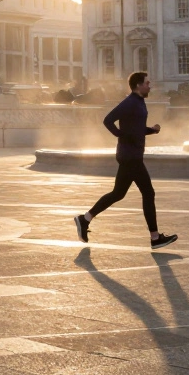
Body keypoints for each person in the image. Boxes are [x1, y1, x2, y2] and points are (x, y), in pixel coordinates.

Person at [75, 72, 177, 250]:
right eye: (147, 83)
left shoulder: (138, 102)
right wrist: (122, 136)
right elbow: (108, 121)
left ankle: (85, 219)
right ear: (138, 85)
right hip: (131, 157)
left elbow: (135, 129)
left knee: (118, 193)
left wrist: (151, 130)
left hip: (131, 155)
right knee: (148, 193)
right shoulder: (129, 102)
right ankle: (154, 237)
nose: (149, 86)